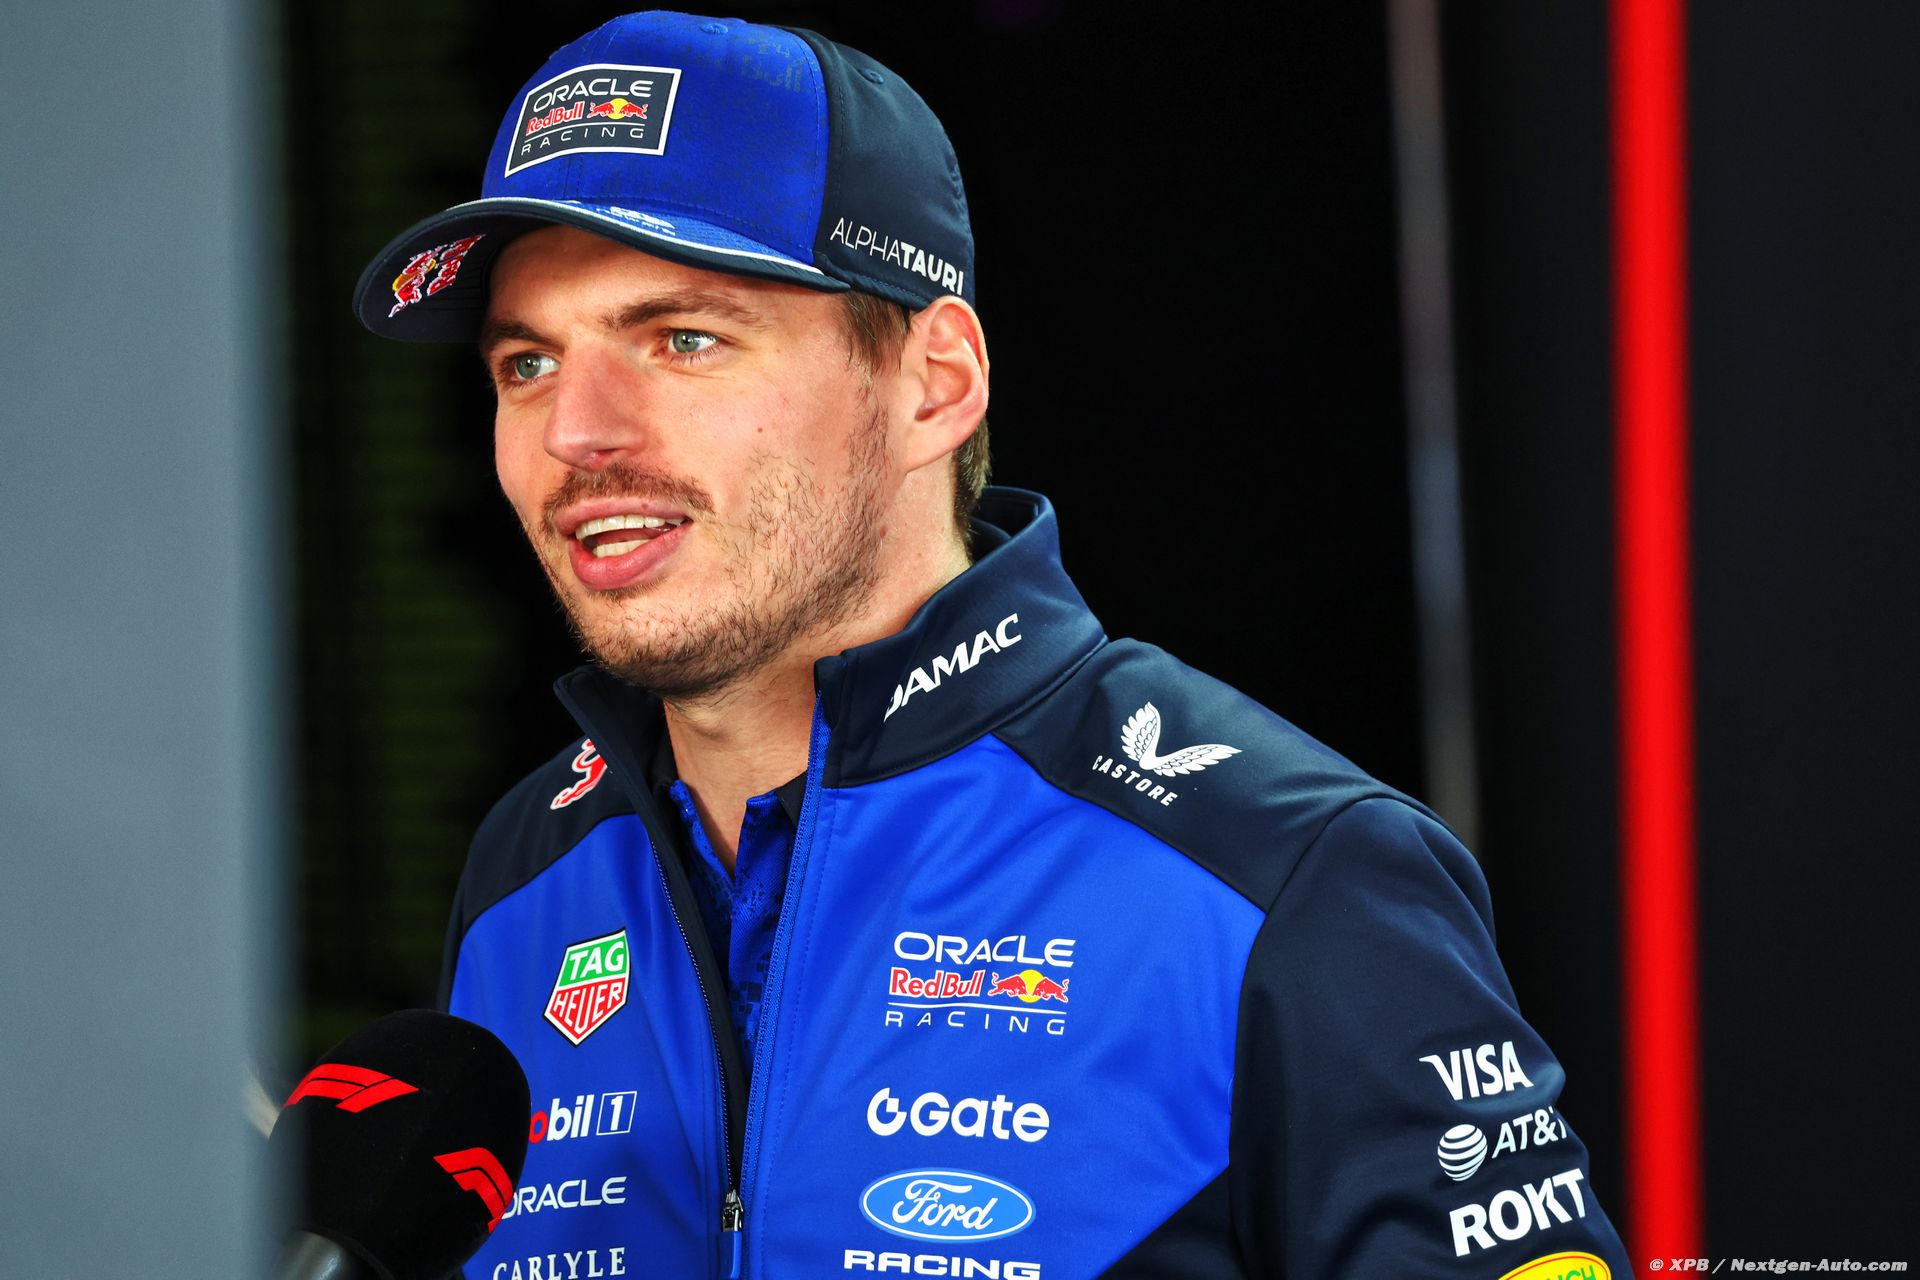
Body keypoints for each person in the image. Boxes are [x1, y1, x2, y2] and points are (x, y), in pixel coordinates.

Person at [354, 11, 1632, 1278]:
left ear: (937, 383)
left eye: (684, 339)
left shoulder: (1279, 872)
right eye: (526, 365)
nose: (576, 432)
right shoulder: (527, 872)